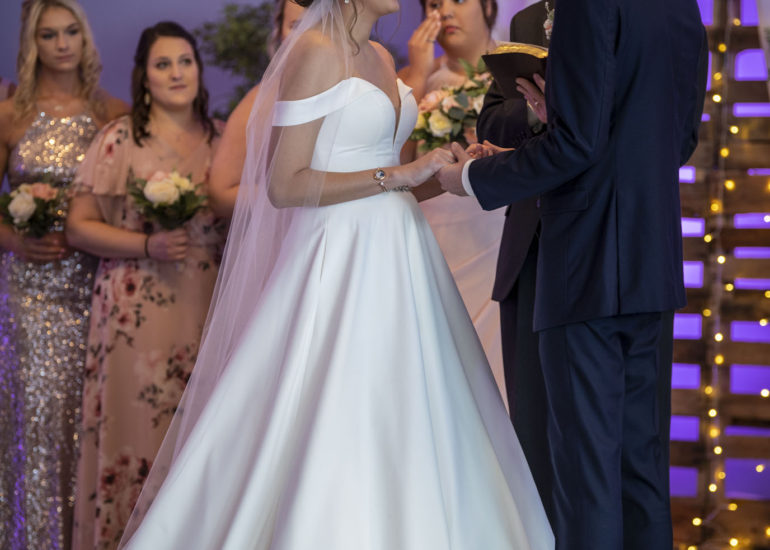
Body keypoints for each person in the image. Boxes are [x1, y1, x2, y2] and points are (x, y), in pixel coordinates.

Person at [117, 0, 554, 547]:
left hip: (402, 254)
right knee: (337, 404)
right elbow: (286, 184)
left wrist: (452, 171)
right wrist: (400, 172)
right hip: (338, 256)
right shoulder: (314, 51)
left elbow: (391, 181)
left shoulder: (379, 55)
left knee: (410, 409)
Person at [437, 0, 708, 547]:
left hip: (584, 257)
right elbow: (678, 141)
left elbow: (576, 143)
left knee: (585, 480)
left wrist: (470, 179)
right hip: (650, 257)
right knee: (641, 475)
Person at [65, 21, 226, 550]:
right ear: (144, 77)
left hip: (208, 308)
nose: (176, 73)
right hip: (134, 316)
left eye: (185, 61)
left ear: (198, 70)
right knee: (136, 438)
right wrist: (146, 244)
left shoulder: (225, 139)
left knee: (202, 440)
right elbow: (78, 227)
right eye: (163, 64)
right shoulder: (119, 140)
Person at [0, 1, 126, 548]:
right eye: (48, 35)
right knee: (35, 421)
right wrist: (15, 238)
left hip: (95, 286)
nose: (61, 44)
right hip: (29, 292)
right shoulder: (11, 115)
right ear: (33, 44)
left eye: (71, 31)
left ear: (85, 37)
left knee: (91, 417)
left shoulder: (112, 113)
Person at [397, 0, 507, 406]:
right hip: (434, 238)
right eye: (433, 3)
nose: (444, 11)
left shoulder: (515, 72)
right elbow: (391, 169)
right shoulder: (414, 78)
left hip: (497, 235)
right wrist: (418, 75)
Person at [475, 0, 553, 520]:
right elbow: (490, 121)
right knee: (527, 423)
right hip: (529, 240)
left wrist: (566, 106)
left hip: (596, 240)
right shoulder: (527, 21)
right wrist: (531, 108)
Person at [209, 0, 305, 217]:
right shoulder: (260, 102)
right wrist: (300, 197)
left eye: (319, 24)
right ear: (279, 32)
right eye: (296, 26)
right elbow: (220, 193)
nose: (307, 36)